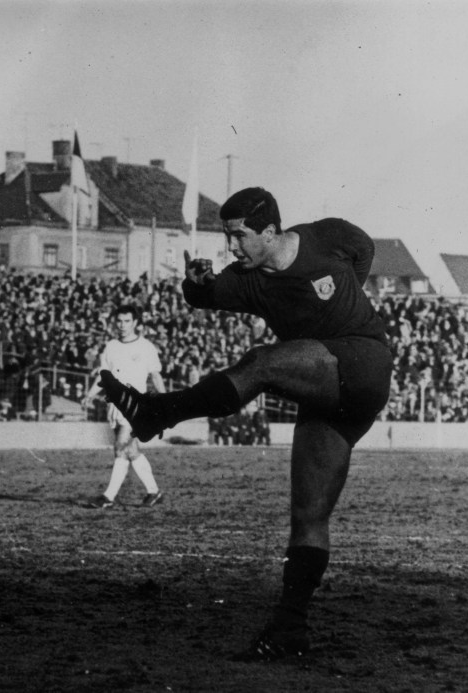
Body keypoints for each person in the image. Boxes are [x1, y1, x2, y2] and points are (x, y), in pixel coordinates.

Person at [98, 187, 393, 661]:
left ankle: (158, 412)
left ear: (271, 231)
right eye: (227, 236)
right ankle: (289, 627)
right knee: (308, 516)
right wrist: (194, 282)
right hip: (326, 390)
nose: (231, 247)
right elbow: (202, 297)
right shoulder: (247, 280)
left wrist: (346, 306)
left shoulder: (327, 236)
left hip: (364, 357)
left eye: (238, 236)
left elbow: (364, 249)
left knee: (261, 362)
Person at [80, 303, 164, 509]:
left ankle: (108, 497)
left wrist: (165, 401)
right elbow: (103, 375)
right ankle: (154, 492)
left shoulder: (145, 347)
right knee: (130, 450)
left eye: (127, 321)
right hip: (116, 406)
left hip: (136, 405)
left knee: (120, 447)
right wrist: (90, 395)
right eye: (119, 321)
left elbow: (155, 375)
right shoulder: (111, 346)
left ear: (135, 323)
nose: (122, 325)